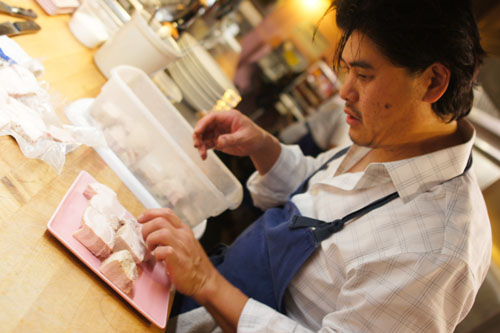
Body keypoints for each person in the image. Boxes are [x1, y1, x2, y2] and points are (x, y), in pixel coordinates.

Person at [138, 0, 492, 331]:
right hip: (191, 304)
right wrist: (263, 146)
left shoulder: (439, 252)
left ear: (433, 82)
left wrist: (205, 282)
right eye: (347, 70)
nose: (344, 91)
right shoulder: (389, 133)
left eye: (364, 76)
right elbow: (314, 190)